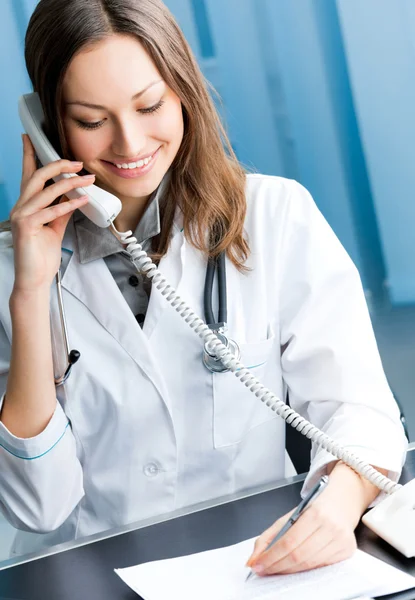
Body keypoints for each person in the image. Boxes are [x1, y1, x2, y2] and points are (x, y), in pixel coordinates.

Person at [0, 0, 407, 575]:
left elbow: (360, 408)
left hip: (256, 565)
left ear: (184, 91)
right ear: (48, 126)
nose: (130, 143)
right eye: (92, 120)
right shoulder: (13, 274)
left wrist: (337, 507)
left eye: (149, 105)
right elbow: (37, 509)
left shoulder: (274, 215)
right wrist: (30, 290)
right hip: (87, 577)